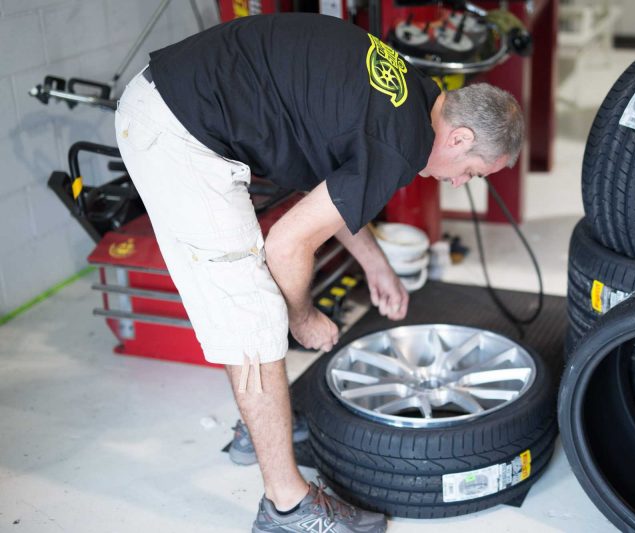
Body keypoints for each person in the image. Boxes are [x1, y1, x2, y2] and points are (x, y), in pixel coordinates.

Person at [114, 12, 524, 533]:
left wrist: (377, 266)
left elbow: (335, 190)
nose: (460, 183)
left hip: (181, 103)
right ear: (461, 138)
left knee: (248, 306)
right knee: (255, 312)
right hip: (178, 133)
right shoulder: (400, 141)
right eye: (472, 172)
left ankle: (254, 427)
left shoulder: (414, 95)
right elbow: (287, 243)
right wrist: (302, 317)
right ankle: (286, 506)